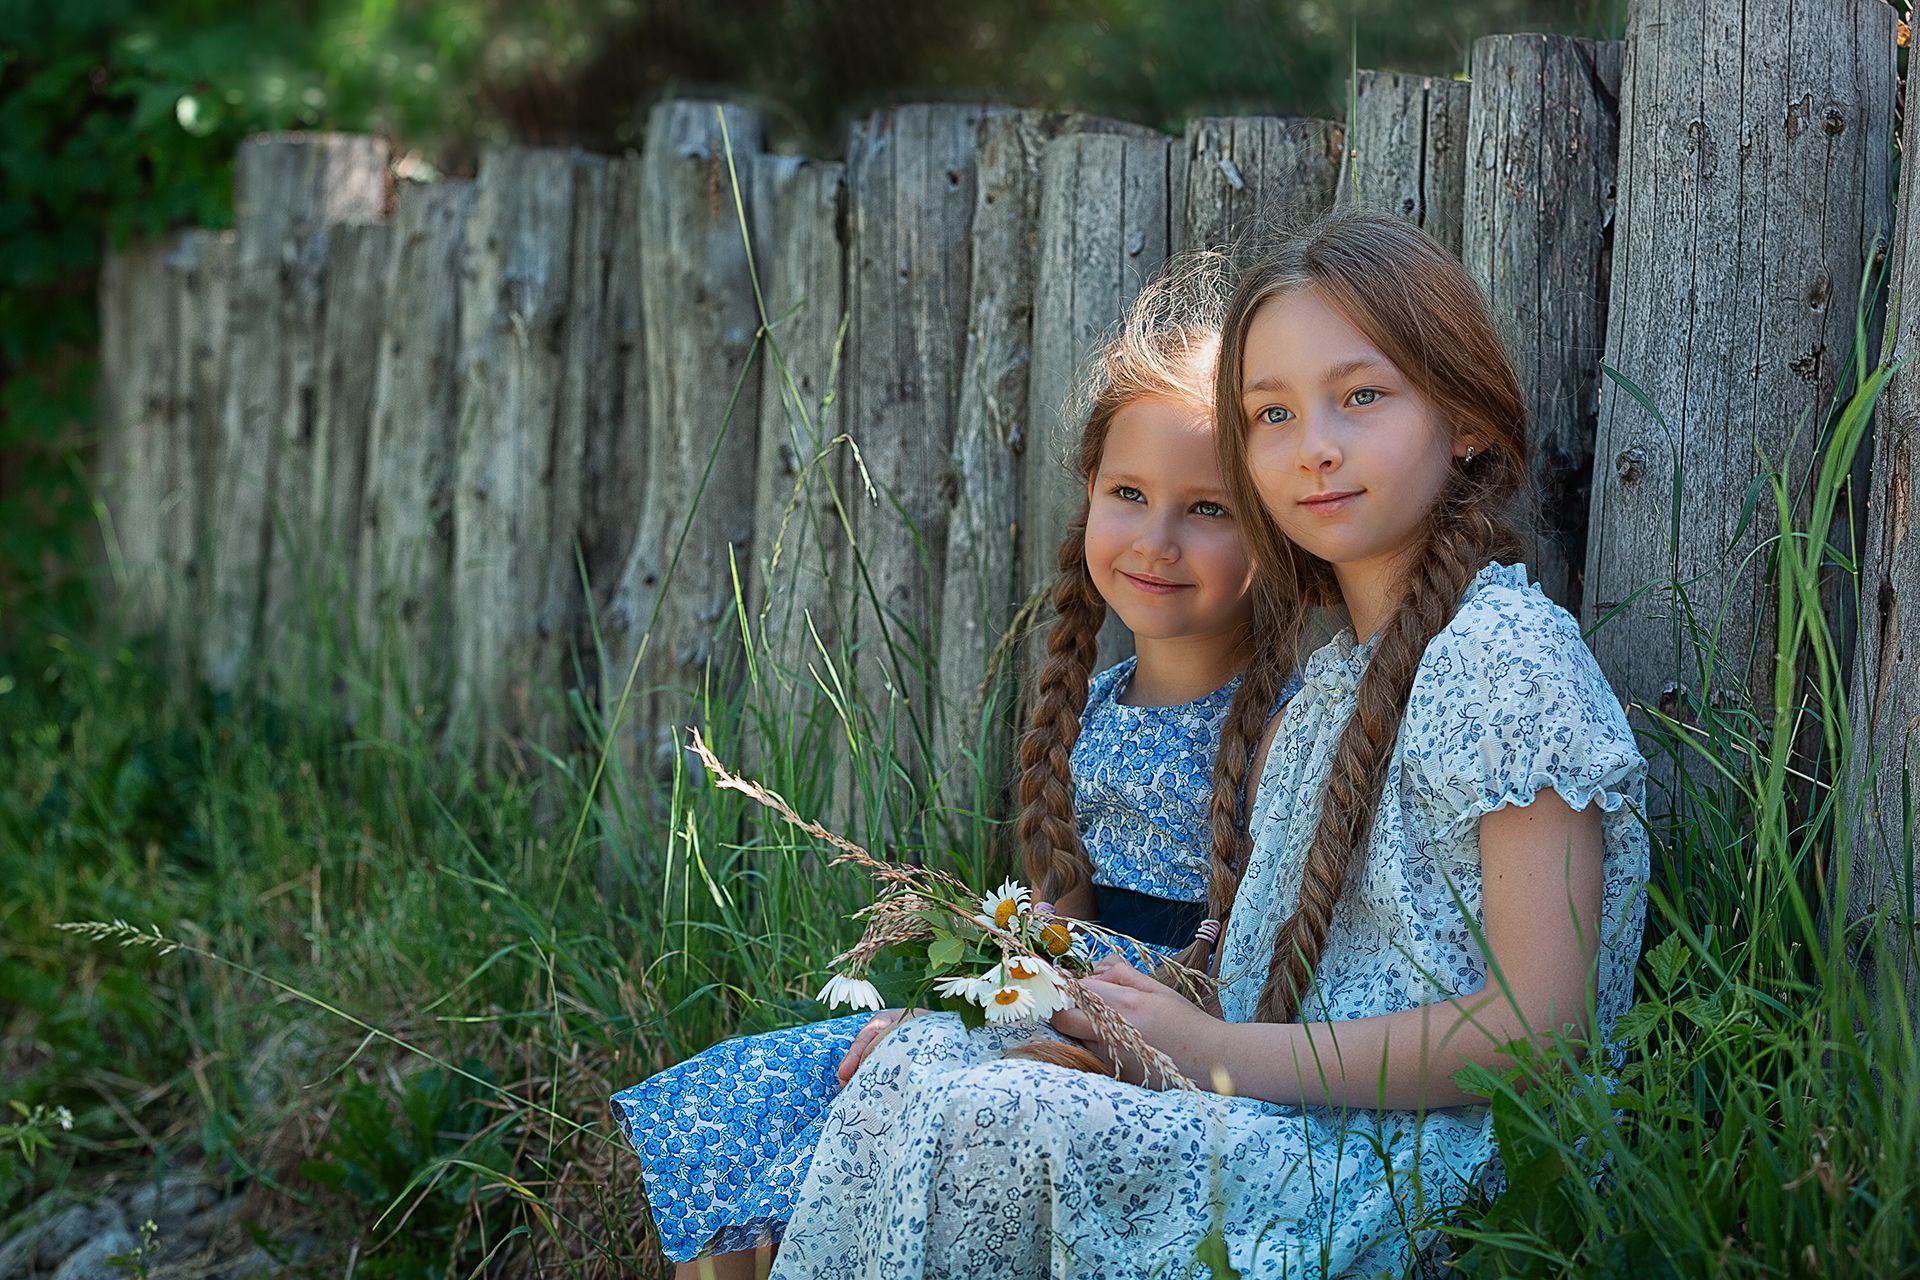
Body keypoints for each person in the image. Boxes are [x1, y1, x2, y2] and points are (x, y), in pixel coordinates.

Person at [764, 210, 1651, 1279]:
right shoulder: (1332, 691)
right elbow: (1240, 991)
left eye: (1361, 395)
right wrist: (1082, 1015)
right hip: (1299, 1114)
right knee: (919, 1064)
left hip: (1429, 1168)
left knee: (989, 1112)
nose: (1314, 443)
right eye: (1270, 413)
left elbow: (1537, 1032)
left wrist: (1220, 1053)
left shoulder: (1507, 658)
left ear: (1462, 419)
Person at [609, 257, 1298, 1278]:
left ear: (1277, 521)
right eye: (1129, 492)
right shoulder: (1091, 705)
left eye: (1208, 508)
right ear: (1090, 495)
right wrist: (947, 999)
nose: (1157, 538)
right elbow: (1060, 924)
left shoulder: (1285, 732)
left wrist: (979, 1023)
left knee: (897, 1088)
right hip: (1052, 993)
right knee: (760, 1087)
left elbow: (1241, 981)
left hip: (1159, 1038)